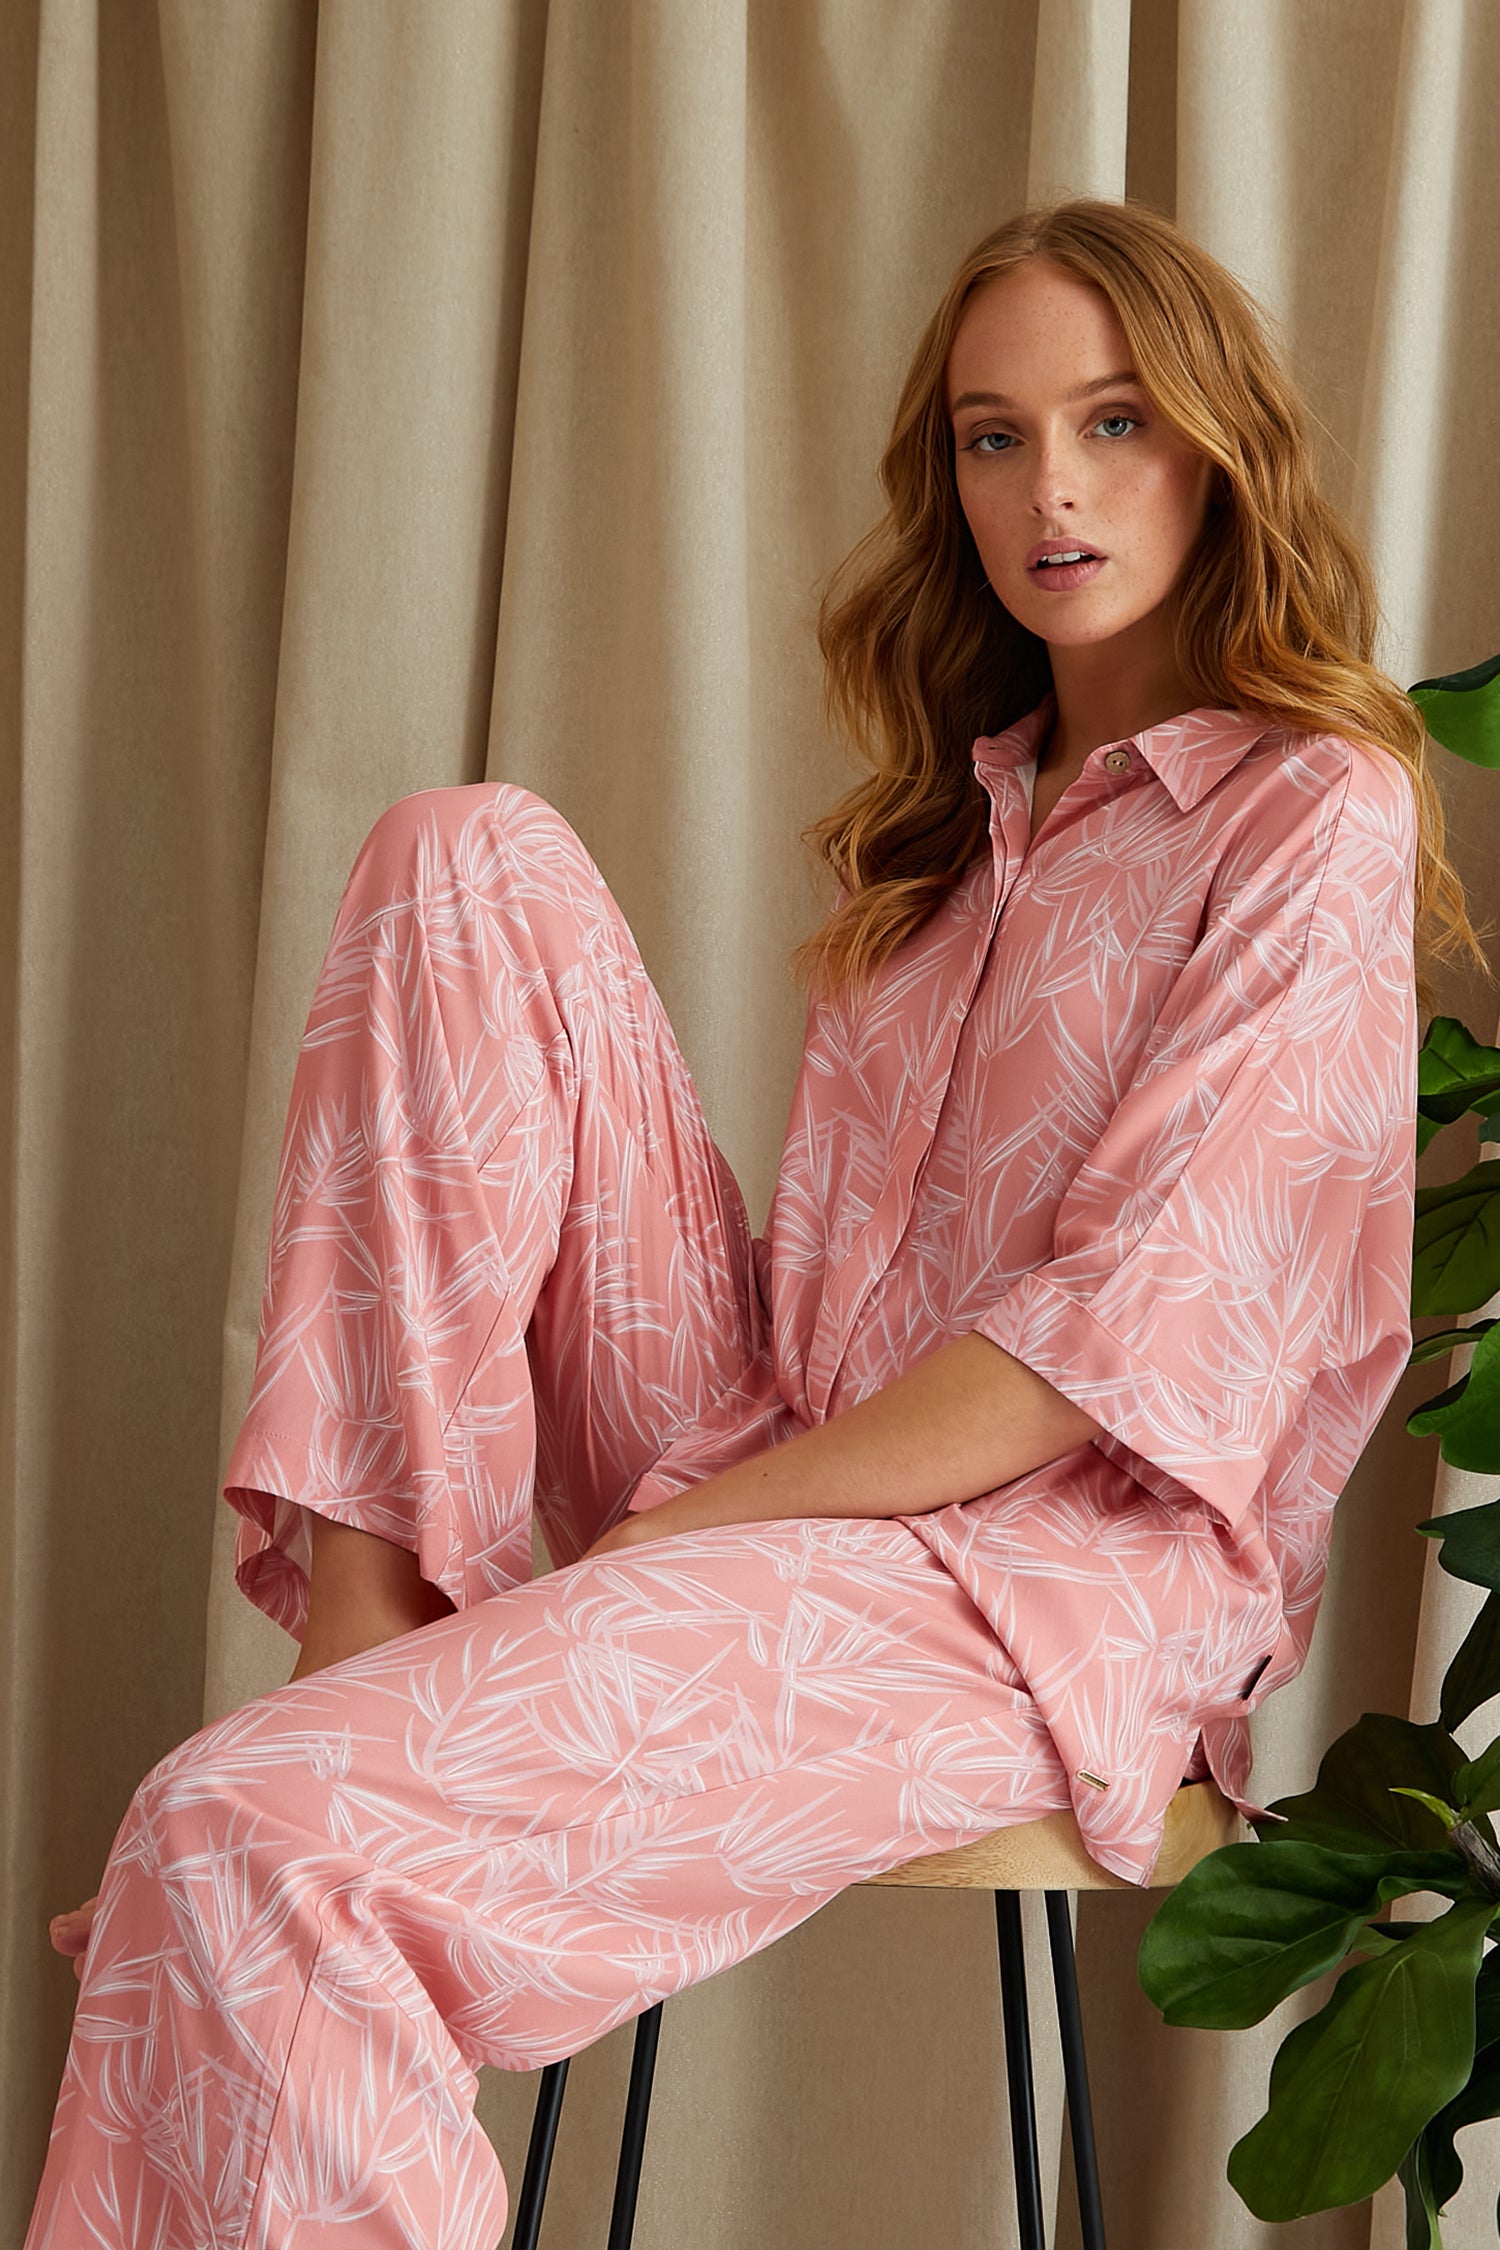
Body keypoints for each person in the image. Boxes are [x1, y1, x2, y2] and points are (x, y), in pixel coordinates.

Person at [27, 194, 1480, 2247]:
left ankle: (327, 1760)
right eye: (993, 438)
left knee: (236, 1837)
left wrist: (683, 1535)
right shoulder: (953, 832)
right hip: (785, 1438)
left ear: (1217, 447)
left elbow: (1109, 1345)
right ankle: (362, 1641)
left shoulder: (1307, 809)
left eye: (1115, 422)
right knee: (464, 855)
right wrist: (716, 1503)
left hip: (1033, 1575)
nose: (1050, 490)